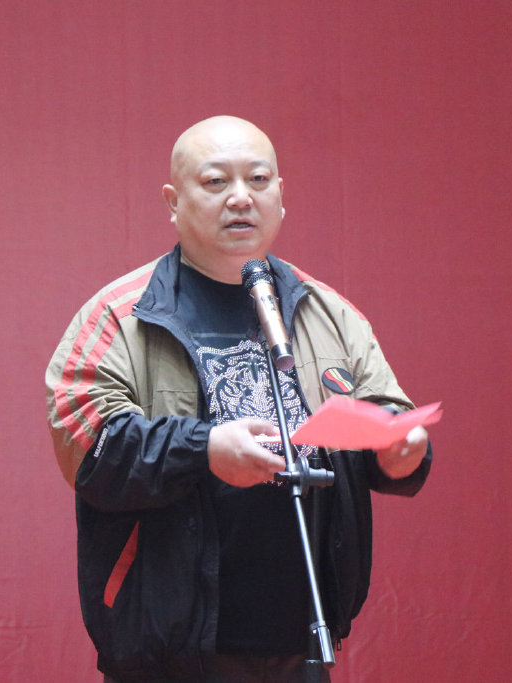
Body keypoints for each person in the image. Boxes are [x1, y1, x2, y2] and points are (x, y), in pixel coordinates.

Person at [45, 115, 432, 682]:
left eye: (258, 179)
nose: (241, 198)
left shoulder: (328, 312)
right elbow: (90, 448)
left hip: (300, 641)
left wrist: (402, 451)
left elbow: (386, 416)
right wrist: (204, 449)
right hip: (170, 652)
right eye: (215, 182)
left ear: (281, 195)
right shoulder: (121, 315)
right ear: (173, 202)